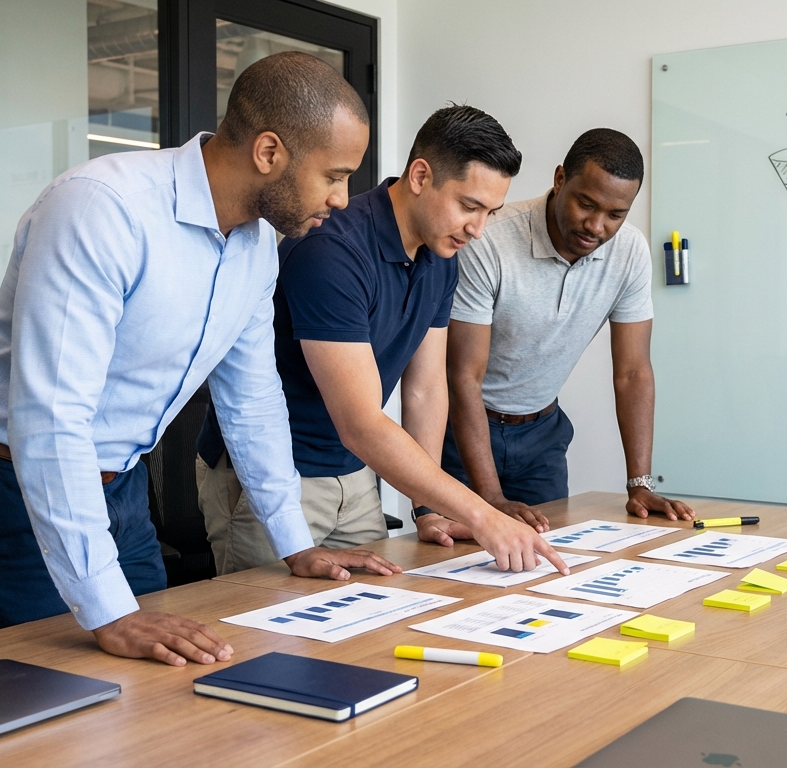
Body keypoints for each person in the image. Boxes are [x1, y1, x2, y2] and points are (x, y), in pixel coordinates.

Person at [0, 52, 399, 667]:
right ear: (270, 153)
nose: (341, 198)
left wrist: (295, 545)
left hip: (119, 485)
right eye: (334, 174)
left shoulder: (255, 248)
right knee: (48, 701)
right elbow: (51, 417)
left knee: (157, 679)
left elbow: (252, 402)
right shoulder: (102, 208)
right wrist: (109, 612)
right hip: (1, 478)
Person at [196, 105, 570, 575]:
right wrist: (482, 513)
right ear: (419, 175)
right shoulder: (331, 248)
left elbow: (426, 387)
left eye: (490, 212)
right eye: (469, 206)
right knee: (269, 635)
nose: (478, 229)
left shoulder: (442, 254)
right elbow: (361, 421)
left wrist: (427, 506)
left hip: (355, 474)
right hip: (273, 478)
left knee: (375, 618)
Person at [442, 128, 694, 523]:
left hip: (543, 436)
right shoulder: (488, 241)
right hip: (462, 431)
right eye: (586, 204)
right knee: (458, 567)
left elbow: (632, 373)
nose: (596, 226)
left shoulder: (629, 252)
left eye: (615, 215)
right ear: (560, 179)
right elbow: (463, 376)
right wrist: (490, 497)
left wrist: (640, 484)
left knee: (551, 561)